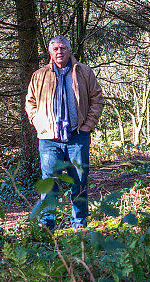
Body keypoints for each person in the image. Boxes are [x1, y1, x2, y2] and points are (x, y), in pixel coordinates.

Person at [25, 36, 104, 230]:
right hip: (49, 139)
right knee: (49, 183)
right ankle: (47, 224)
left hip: (77, 136)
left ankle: (79, 223)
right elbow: (30, 102)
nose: (59, 52)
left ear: (70, 51)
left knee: (79, 181)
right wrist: (39, 123)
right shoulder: (39, 75)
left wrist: (88, 124)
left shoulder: (84, 72)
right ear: (50, 53)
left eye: (63, 48)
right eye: (55, 49)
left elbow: (97, 98)